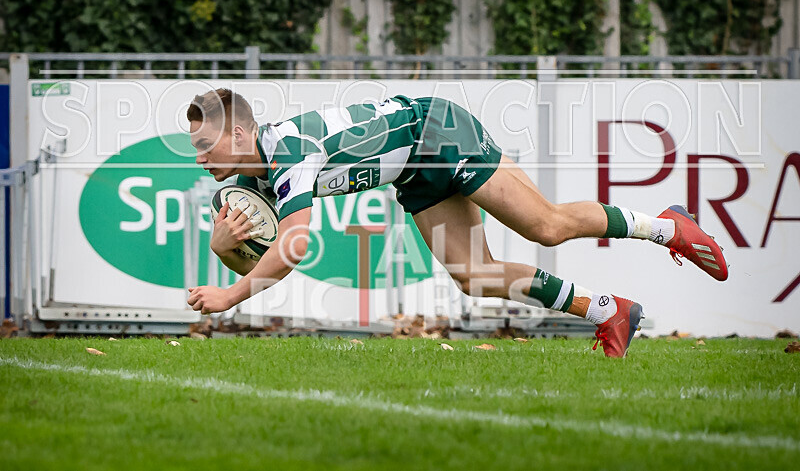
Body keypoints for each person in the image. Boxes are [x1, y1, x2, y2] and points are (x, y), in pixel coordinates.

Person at [186, 88, 728, 357]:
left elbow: (296, 245)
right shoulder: (243, 181)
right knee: (475, 276)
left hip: (437, 134)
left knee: (546, 226)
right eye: (195, 149)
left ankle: (667, 227)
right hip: (413, 171)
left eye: (206, 145)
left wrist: (229, 296)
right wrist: (220, 246)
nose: (200, 158)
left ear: (238, 134)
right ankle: (610, 311)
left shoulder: (287, 152)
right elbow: (257, 258)